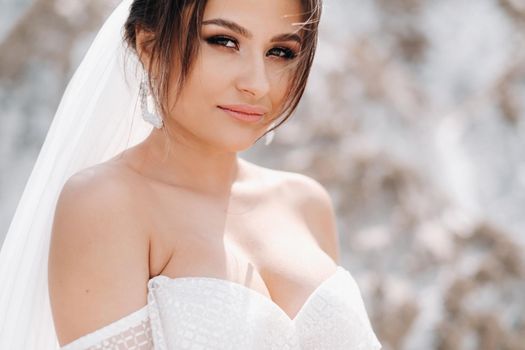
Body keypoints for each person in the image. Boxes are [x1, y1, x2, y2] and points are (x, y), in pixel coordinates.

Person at [0, 0, 382, 349]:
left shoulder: (306, 204)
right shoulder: (107, 204)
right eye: (224, 41)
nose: (257, 83)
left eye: (280, 52)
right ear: (149, 48)